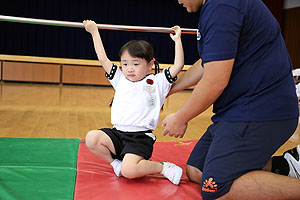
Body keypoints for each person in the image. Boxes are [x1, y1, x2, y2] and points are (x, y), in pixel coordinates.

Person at [161, 0, 300, 199]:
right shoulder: (217, 7)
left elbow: (215, 81)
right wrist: (171, 88)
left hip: (258, 112)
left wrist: (181, 117)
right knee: (196, 169)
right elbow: (209, 61)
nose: (178, 1)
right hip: (238, 111)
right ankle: (286, 165)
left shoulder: (223, 6)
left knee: (216, 188)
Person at [83, 20, 184, 185]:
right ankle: (116, 164)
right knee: (92, 138)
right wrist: (94, 32)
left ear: (150, 65)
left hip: (139, 138)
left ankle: (163, 167)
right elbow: (103, 59)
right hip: (118, 134)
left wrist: (178, 40)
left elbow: (178, 65)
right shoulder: (119, 78)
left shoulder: (157, 82)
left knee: (129, 171)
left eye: (136, 64)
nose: (129, 69)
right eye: (125, 64)